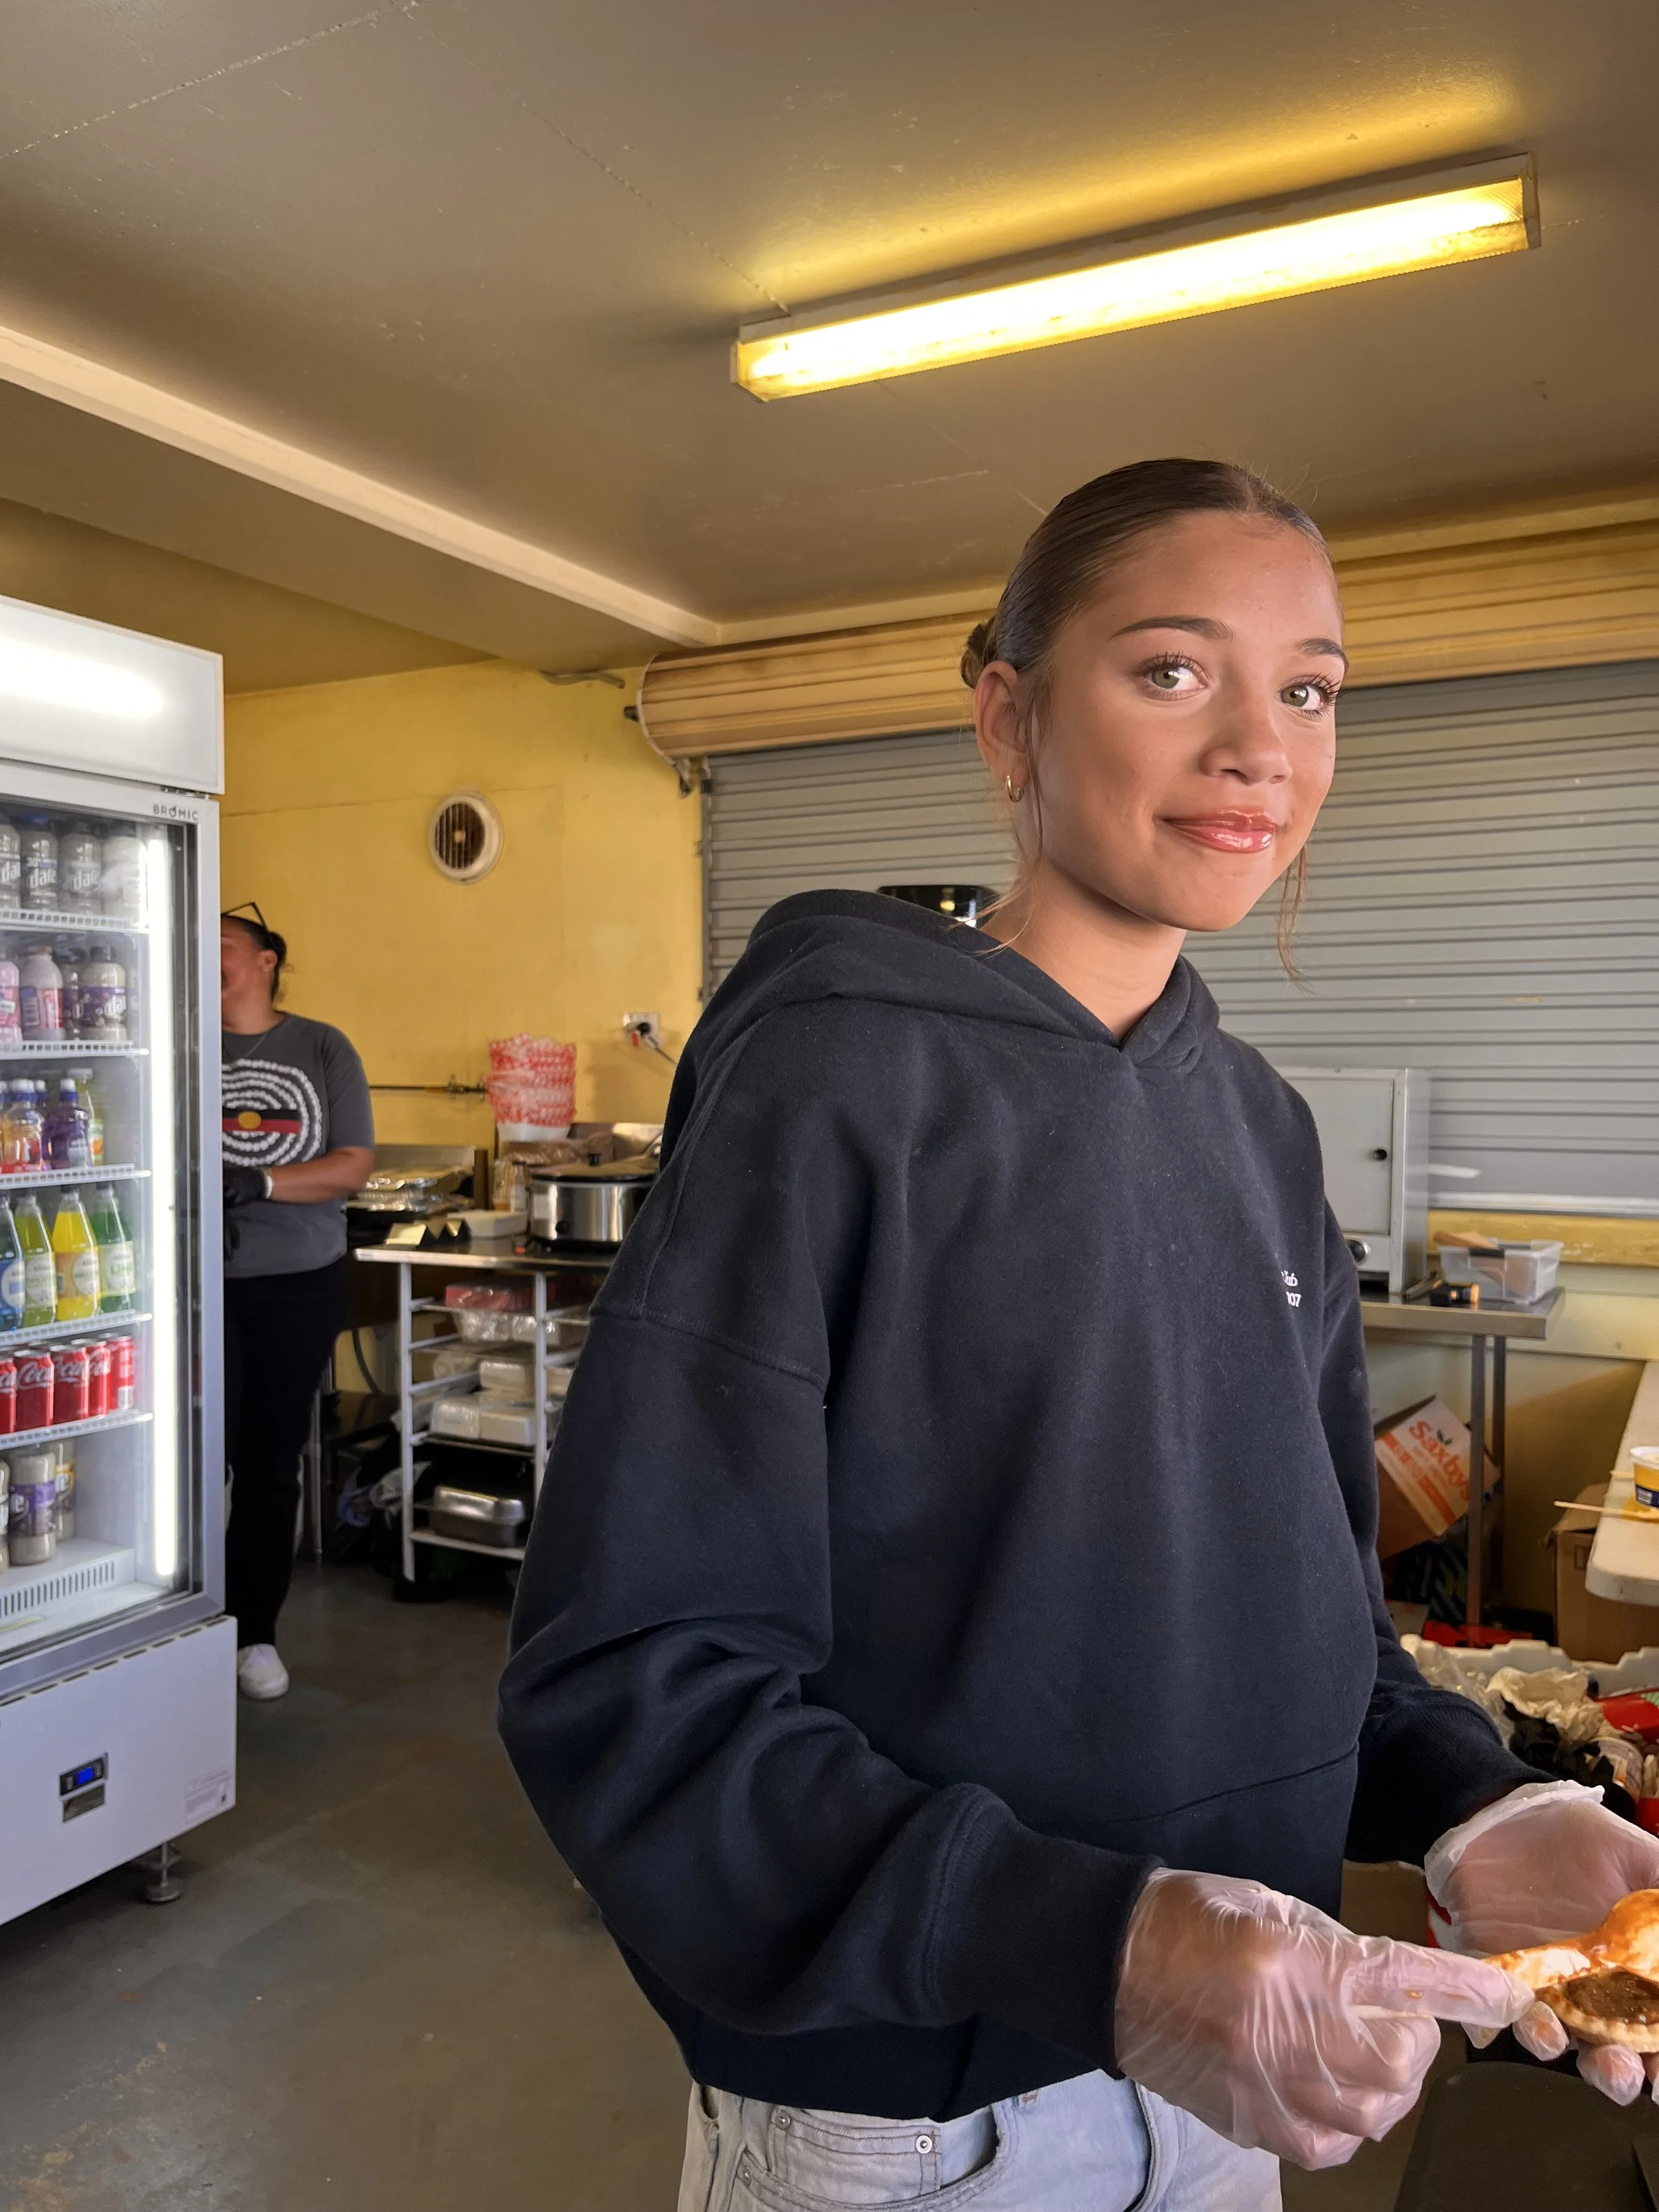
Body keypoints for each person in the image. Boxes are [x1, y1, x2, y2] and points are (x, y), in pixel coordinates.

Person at [498, 461, 1657, 2210]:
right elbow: (636, 1689)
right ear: (1008, 714)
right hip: (917, 2121)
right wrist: (1111, 1944)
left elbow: (1309, 1637)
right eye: (1171, 669)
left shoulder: (1261, 1133)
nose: (1261, 747)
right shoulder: (829, 1082)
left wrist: (1478, 1809)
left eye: (1309, 687)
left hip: (1224, 2091)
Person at [220, 905, 374, 1702]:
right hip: (200, 1288)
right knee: (191, 1461)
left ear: (268, 960)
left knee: (268, 1461)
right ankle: (180, 1624)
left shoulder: (320, 1046)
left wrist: (259, 1181)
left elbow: (352, 1164)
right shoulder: (178, 1044)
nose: (208, 962)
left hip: (295, 1285)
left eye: (224, 949)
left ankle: (254, 1634)